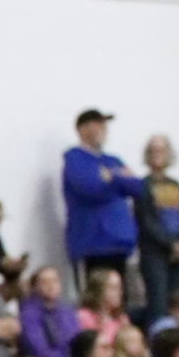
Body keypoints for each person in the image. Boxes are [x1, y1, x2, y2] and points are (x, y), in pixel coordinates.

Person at [62, 108, 140, 284]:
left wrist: (111, 177)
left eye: (103, 125)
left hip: (119, 244)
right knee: (94, 295)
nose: (103, 129)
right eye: (97, 124)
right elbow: (90, 187)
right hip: (92, 245)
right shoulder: (75, 158)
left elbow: (137, 187)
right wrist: (119, 179)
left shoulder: (113, 160)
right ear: (82, 129)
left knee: (119, 296)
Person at [138, 135, 179, 331]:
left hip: (178, 253)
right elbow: (146, 220)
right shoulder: (143, 185)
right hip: (154, 253)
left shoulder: (175, 185)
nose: (157, 154)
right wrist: (170, 244)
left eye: (162, 150)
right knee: (158, 304)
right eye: (154, 150)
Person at [18, 265, 81, 357]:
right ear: (35, 286)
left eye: (55, 281)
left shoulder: (67, 310)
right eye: (45, 282)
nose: (51, 286)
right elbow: (38, 350)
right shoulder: (29, 312)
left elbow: (76, 340)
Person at [77, 267, 131, 345]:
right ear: (99, 291)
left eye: (120, 288)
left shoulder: (122, 319)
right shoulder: (85, 317)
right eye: (113, 288)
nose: (119, 293)